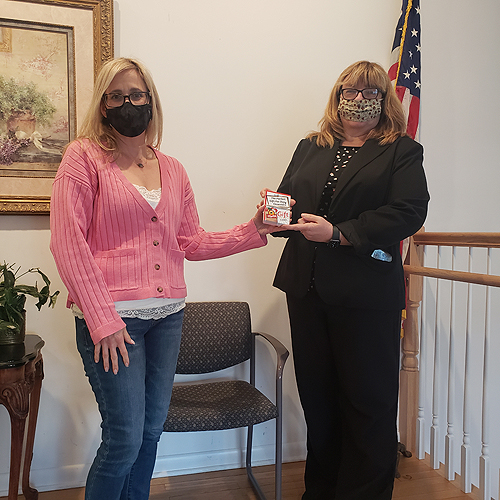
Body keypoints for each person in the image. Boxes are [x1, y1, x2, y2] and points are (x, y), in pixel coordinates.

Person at [49, 57, 279, 500]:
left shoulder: (172, 168)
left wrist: (253, 230)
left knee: (151, 432)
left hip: (168, 317)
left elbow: (191, 241)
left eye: (136, 95)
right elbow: (67, 242)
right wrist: (102, 320)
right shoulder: (83, 158)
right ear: (102, 105)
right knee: (124, 440)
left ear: (151, 101)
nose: (128, 104)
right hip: (114, 323)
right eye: (117, 96)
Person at [266, 61, 429, 499]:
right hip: (306, 289)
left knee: (367, 403)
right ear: (337, 96)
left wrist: (339, 233)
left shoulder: (401, 150)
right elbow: (290, 200)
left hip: (366, 295)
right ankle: (320, 491)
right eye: (349, 90)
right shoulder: (311, 145)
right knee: (318, 399)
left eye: (369, 92)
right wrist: (272, 213)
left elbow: (409, 211)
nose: (358, 99)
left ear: (384, 99)